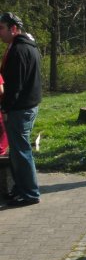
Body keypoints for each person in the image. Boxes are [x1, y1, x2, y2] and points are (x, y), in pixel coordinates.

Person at [0, 12, 42, 207]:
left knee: (21, 152)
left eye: (2, 28)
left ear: (14, 29)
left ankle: (30, 193)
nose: (0, 33)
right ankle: (21, 189)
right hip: (28, 105)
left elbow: (14, 86)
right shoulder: (29, 46)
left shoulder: (19, 50)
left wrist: (5, 109)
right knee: (18, 152)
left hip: (20, 108)